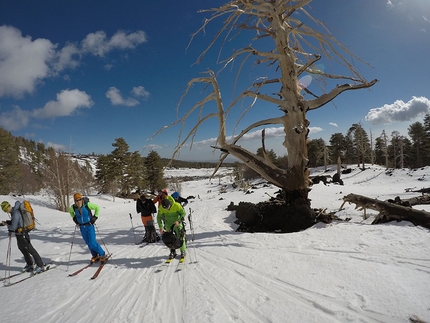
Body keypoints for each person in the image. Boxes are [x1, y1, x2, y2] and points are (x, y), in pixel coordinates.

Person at [1, 200, 45, 273]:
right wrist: (7, 223)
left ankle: (40, 265)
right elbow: (15, 223)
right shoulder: (14, 212)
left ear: (9, 206)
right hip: (19, 235)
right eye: (5, 211)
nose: (6, 212)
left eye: (6, 210)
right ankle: (30, 264)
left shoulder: (15, 213)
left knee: (30, 250)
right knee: (23, 249)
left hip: (23, 234)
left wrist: (7, 225)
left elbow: (13, 227)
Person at [68, 193, 107, 264]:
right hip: (82, 227)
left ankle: (102, 254)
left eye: (80, 199)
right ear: (74, 201)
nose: (78, 201)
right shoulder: (73, 207)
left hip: (89, 226)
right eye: (76, 200)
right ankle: (95, 255)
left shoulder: (87, 205)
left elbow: (97, 208)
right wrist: (74, 219)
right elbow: (70, 212)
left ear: (81, 199)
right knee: (88, 243)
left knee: (92, 242)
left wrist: (95, 217)